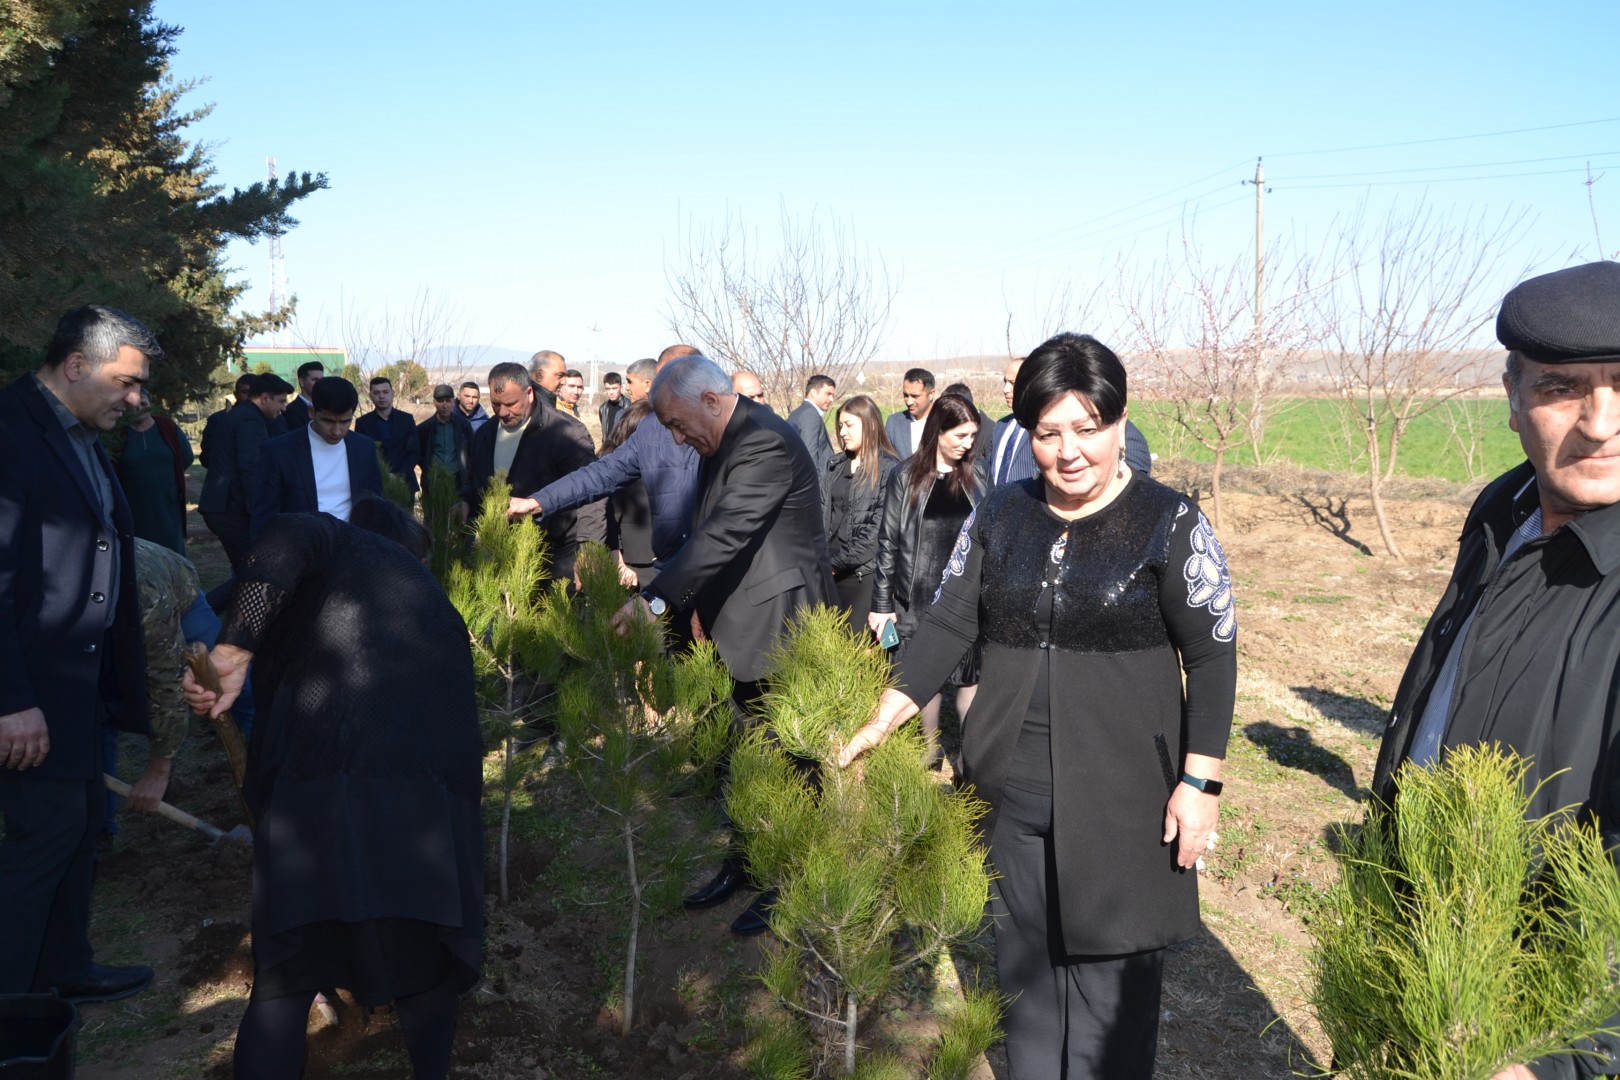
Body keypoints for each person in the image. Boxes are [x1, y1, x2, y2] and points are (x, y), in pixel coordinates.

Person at [840, 332, 1236, 1080]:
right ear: (1026, 435)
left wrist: (1200, 784)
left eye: (1088, 429)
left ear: (1120, 424)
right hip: (1012, 785)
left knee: (1110, 997)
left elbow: (1213, 652)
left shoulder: (1170, 522)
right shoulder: (1003, 515)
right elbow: (953, 617)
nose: (1070, 451)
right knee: (1027, 976)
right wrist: (887, 713)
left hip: (1127, 795)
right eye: (1049, 433)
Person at [1371, 261, 1620, 1080]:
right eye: (1562, 388)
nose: (1599, 423)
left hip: (1533, 1026)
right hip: (1422, 963)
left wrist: (1561, 1062)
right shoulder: (1505, 512)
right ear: (1512, 397)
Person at [182, 501, 484, 1080]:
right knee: (423, 964)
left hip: (320, 791)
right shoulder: (431, 602)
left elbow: (286, 527)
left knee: (284, 978)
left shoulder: (337, 542)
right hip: (422, 807)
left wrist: (232, 650)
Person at [613, 352, 836, 935]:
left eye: (678, 424)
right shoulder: (723, 437)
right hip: (740, 624)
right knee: (743, 755)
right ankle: (744, 861)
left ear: (711, 401)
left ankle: (788, 878)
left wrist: (657, 601)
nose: (678, 439)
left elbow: (724, 532)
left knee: (790, 760)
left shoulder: (762, 440)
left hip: (781, 627)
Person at [0, 304, 161, 1003]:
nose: (135, 400)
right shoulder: (10, 433)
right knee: (45, 839)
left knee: (78, 830)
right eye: (126, 383)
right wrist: (11, 701)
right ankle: (12, 1007)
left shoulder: (81, 436)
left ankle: (64, 968)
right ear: (75, 365)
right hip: (30, 694)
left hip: (76, 689)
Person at [869, 392, 987, 759]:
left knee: (970, 676)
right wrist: (882, 604)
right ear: (938, 430)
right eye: (961, 436)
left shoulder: (977, 475)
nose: (968, 445)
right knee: (925, 677)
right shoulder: (904, 476)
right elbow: (888, 542)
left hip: (966, 596)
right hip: (918, 596)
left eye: (973, 437)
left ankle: (971, 756)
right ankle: (931, 750)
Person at [506, 349, 698, 571]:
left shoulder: (733, 434)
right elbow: (600, 474)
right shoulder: (652, 431)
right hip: (666, 572)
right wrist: (537, 502)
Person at [462, 362, 604, 584]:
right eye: (496, 404)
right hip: (498, 556)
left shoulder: (566, 433)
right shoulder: (484, 434)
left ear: (529, 393)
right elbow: (474, 481)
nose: (503, 412)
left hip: (554, 559)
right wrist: (465, 502)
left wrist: (589, 548)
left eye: (511, 404)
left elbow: (592, 493)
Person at [251, 376, 384, 538]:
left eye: (345, 422)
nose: (337, 431)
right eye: (328, 421)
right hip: (301, 549)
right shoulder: (278, 451)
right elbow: (264, 516)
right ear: (311, 411)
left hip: (355, 547)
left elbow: (376, 504)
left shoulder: (364, 447)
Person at [993, 356, 1155, 484]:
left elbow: (1136, 485)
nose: (1067, 453)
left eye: (1087, 431)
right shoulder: (1001, 426)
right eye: (1049, 435)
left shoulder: (1121, 430)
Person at [198, 372, 292, 580]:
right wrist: (263, 508)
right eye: (281, 401)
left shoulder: (242, 415)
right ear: (265, 398)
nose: (284, 408)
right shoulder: (249, 419)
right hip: (230, 509)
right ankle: (209, 610)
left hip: (227, 507)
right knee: (251, 572)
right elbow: (250, 467)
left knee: (248, 571)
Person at [822, 394, 899, 631]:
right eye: (840, 425)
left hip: (863, 576)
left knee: (859, 651)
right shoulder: (835, 466)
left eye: (850, 425)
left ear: (871, 424)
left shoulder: (890, 469)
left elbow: (879, 532)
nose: (843, 431)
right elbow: (821, 515)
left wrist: (835, 563)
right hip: (829, 573)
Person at [107, 385, 194, 554]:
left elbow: (186, 457)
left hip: (166, 504)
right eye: (134, 405)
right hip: (134, 504)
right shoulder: (120, 433)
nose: (139, 408)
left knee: (172, 551)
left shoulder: (167, 427)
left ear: (150, 404)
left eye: (143, 403)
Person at [600, 399, 657, 587]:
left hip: (661, 559)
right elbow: (608, 516)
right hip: (632, 564)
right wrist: (618, 561)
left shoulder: (660, 458)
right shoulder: (615, 463)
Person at [355, 375, 420, 494]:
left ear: (392, 393)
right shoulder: (362, 423)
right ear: (370, 396)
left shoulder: (407, 420)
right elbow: (361, 455)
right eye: (376, 393)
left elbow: (414, 452)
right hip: (375, 485)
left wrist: (399, 475)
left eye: (385, 392)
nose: (381, 396)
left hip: (404, 483)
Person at [416, 383, 474, 488]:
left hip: (458, 481)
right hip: (433, 481)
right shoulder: (424, 428)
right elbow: (418, 454)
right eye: (440, 401)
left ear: (453, 402)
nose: (445, 405)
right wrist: (427, 467)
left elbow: (472, 451)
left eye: (448, 400)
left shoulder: (464, 426)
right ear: (434, 403)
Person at [200, 371, 257, 471]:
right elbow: (206, 457)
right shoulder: (218, 420)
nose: (249, 397)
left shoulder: (271, 419)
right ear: (236, 394)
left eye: (254, 392)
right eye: (245, 392)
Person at [788, 373, 837, 477]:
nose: (831, 399)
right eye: (828, 394)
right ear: (813, 392)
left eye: (833, 395)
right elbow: (810, 455)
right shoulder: (810, 414)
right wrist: (816, 488)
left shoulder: (801, 412)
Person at [884, 366, 935, 459]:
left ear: (931, 394)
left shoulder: (944, 421)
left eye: (915, 396)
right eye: (906, 395)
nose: (909, 401)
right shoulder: (894, 423)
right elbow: (885, 458)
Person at [282, 360, 325, 431]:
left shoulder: (327, 407)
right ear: (302, 382)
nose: (320, 383)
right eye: (315, 379)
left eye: (322, 380)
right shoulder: (291, 411)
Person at [598, 371, 627, 440]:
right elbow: (605, 433)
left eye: (614, 388)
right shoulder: (603, 409)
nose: (611, 392)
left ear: (621, 387)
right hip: (608, 449)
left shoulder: (630, 406)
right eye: (608, 389)